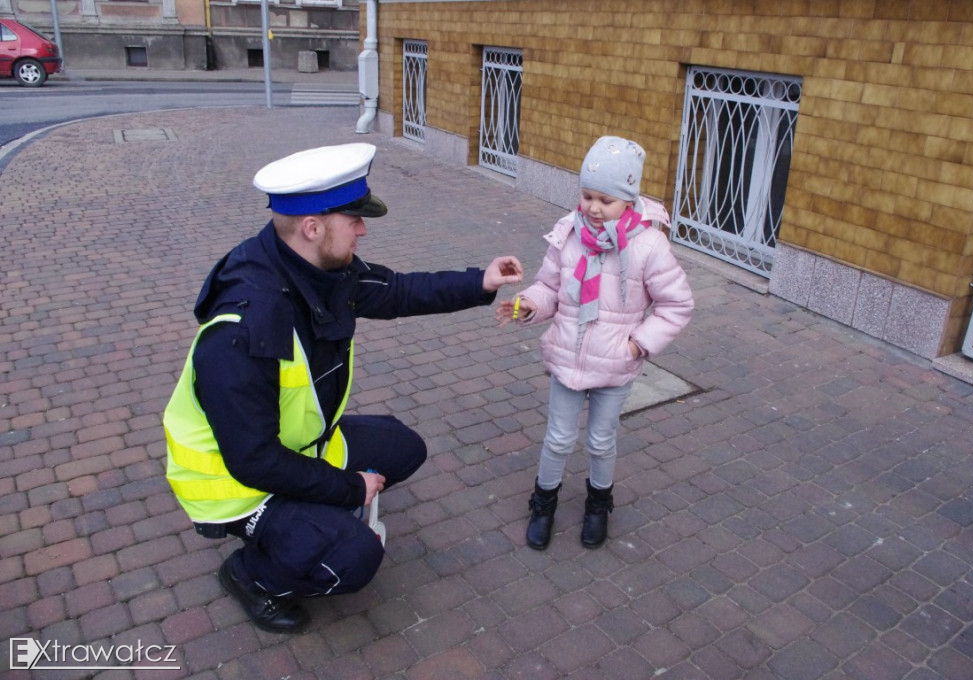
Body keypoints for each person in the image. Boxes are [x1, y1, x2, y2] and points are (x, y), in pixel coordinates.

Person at [164, 143, 523, 633]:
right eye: (352, 218)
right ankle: (251, 575)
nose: (363, 228)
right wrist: (349, 487)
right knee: (355, 557)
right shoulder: (245, 330)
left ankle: (309, 517)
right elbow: (253, 461)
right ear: (312, 227)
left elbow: (395, 290)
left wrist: (479, 282)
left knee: (403, 447)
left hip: (297, 444)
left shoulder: (316, 266)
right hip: (236, 487)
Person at [497, 136, 695, 550]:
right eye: (587, 196)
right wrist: (528, 304)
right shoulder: (568, 233)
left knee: (601, 441)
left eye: (605, 200)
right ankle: (543, 503)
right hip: (567, 356)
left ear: (627, 198)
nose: (592, 208)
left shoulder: (649, 245)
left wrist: (638, 344)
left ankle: (598, 504)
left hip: (616, 365)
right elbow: (549, 287)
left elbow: (676, 304)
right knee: (558, 438)